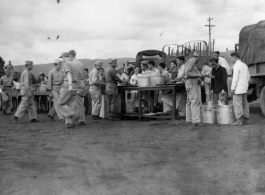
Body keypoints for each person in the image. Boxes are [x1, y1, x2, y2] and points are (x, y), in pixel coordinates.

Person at [57, 52, 82, 128]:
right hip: (76, 85)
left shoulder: (66, 64)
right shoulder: (75, 64)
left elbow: (68, 74)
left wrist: (70, 84)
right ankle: (71, 123)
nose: (62, 60)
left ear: (64, 57)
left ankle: (74, 114)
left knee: (59, 104)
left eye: (62, 58)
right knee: (70, 104)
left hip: (68, 85)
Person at [230, 52, 250, 126]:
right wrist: (244, 84)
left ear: (235, 57)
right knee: (245, 104)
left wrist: (232, 88)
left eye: (231, 58)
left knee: (237, 104)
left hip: (238, 89)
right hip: (244, 88)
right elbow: (248, 77)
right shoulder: (244, 65)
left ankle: (239, 121)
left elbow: (235, 78)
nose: (231, 60)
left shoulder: (236, 65)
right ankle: (246, 120)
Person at [69, 50, 86, 126]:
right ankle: (81, 118)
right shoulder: (80, 63)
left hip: (76, 83)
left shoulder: (72, 63)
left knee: (77, 102)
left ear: (70, 55)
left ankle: (81, 119)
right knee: (80, 102)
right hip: (81, 82)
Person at [184, 52, 202, 126]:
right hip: (191, 83)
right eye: (199, 58)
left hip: (189, 83)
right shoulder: (192, 62)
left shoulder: (191, 62)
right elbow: (187, 73)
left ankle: (189, 119)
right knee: (195, 101)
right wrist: (197, 75)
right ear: (197, 57)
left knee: (189, 101)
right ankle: (196, 120)